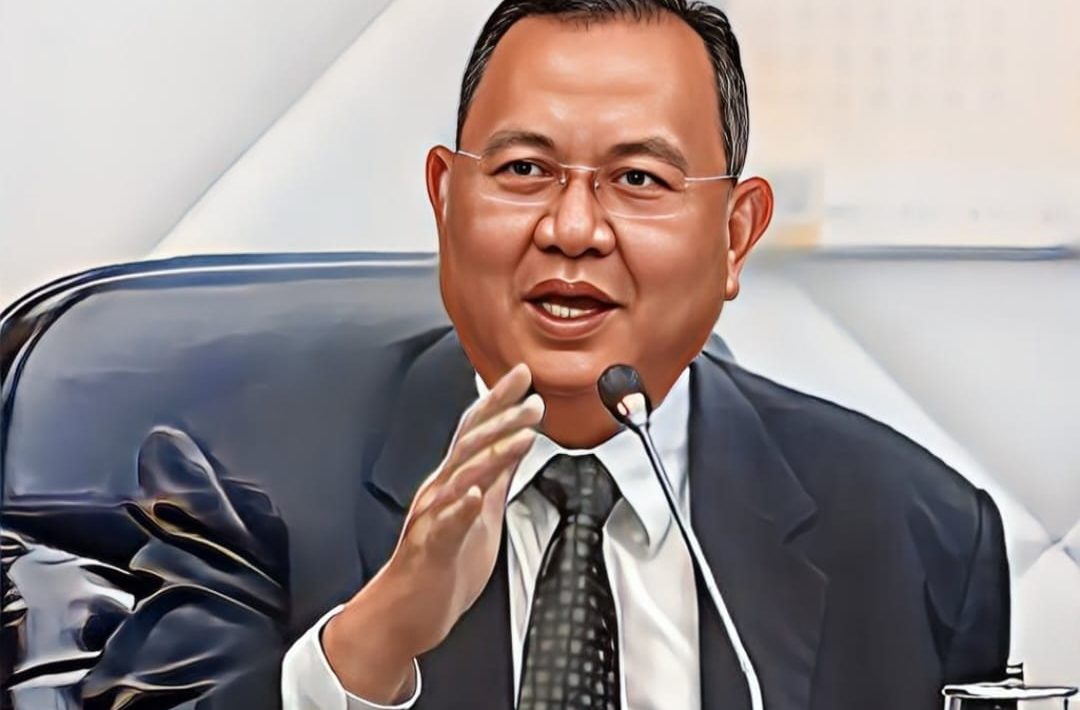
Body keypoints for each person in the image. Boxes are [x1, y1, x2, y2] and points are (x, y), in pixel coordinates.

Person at [281, 1, 1010, 708]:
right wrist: (378, 640)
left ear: (735, 236)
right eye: (525, 169)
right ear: (446, 202)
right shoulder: (259, 500)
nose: (572, 230)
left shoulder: (919, 536)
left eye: (638, 179)